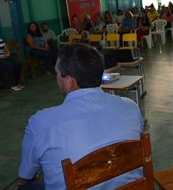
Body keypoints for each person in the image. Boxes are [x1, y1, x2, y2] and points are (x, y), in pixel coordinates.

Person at [16, 44, 144, 189]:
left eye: (57, 74)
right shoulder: (130, 107)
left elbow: (26, 176)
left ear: (69, 81)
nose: (57, 79)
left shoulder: (41, 123)